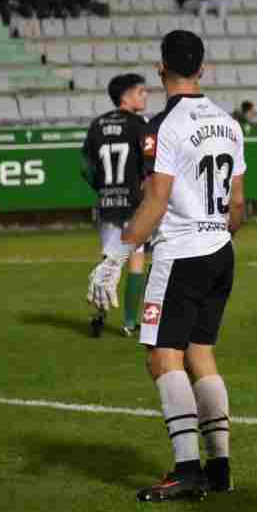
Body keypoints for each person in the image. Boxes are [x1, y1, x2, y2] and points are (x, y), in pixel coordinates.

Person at [86, 30, 246, 502]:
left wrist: (116, 255)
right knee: (201, 354)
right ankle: (220, 467)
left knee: (162, 357)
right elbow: (238, 206)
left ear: (161, 70)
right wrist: (216, 235)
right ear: (203, 69)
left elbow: (155, 201)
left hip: (181, 254)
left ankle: (186, 470)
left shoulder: (163, 126)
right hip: (221, 251)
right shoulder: (230, 123)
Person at [81, 74, 150, 337]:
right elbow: (148, 165)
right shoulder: (139, 124)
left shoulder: (97, 124)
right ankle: (131, 321)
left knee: (109, 260)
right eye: (140, 92)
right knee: (135, 257)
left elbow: (84, 166)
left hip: (108, 202)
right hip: (133, 203)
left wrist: (103, 188)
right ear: (125, 96)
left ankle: (98, 316)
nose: (145, 95)